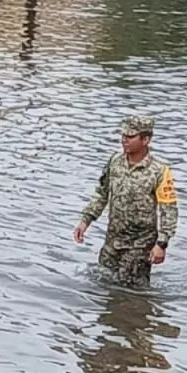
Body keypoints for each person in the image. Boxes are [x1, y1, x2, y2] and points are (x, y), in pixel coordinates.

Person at [74, 116, 179, 289]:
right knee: (104, 283)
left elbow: (169, 210)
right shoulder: (114, 162)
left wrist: (162, 244)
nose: (124, 140)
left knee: (133, 288)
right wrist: (85, 221)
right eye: (123, 135)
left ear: (145, 140)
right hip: (113, 239)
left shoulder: (159, 171)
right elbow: (102, 194)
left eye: (130, 137)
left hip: (140, 244)